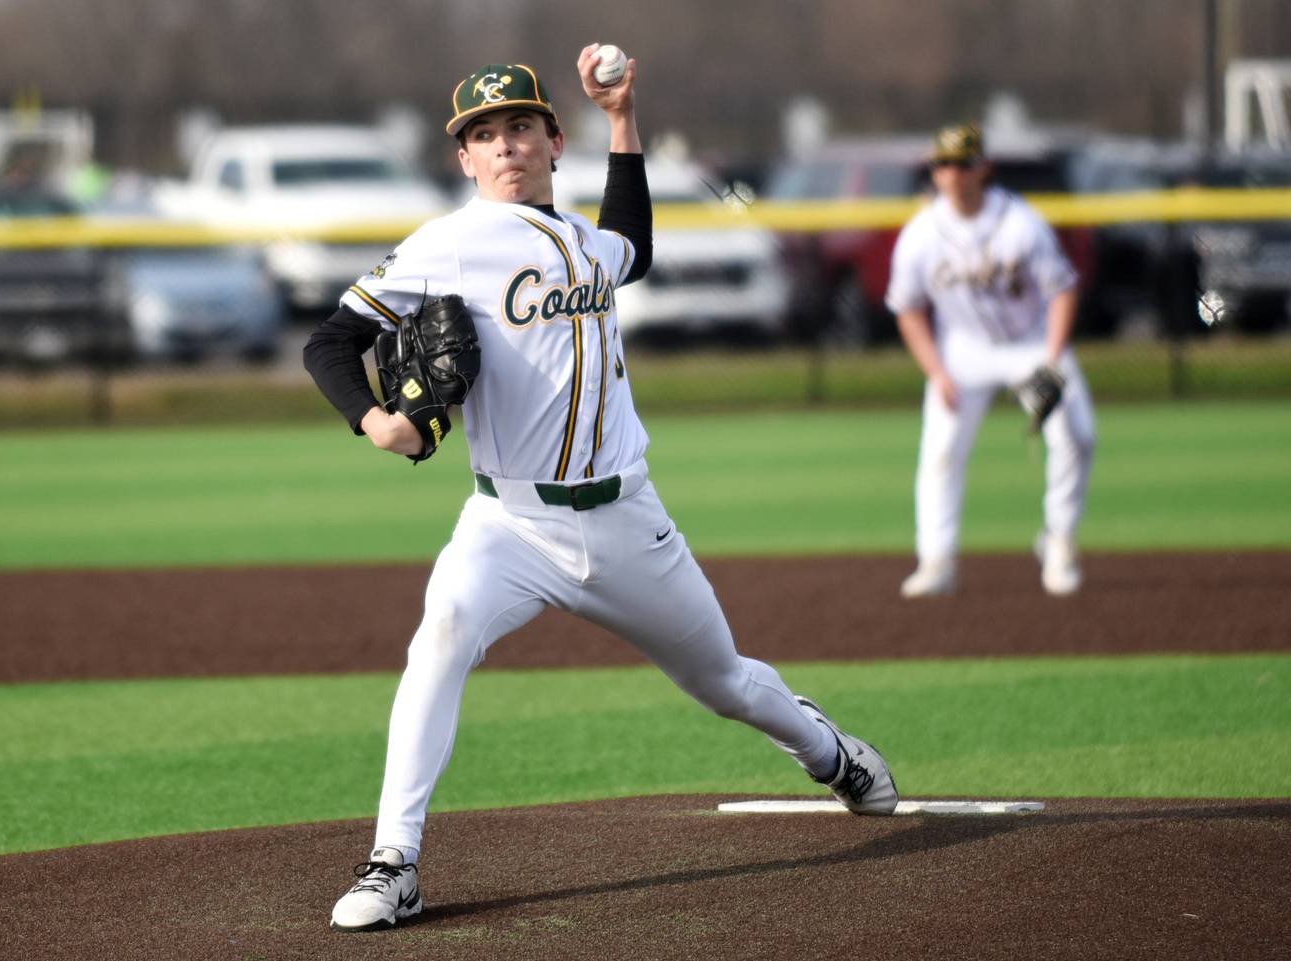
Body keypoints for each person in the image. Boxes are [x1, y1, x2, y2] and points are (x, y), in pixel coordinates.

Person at [303, 46, 898, 933]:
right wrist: (371, 419)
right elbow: (329, 341)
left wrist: (623, 119)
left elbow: (637, 247)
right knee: (438, 643)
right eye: (482, 135)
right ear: (462, 159)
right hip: (507, 521)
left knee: (724, 681)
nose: (503, 145)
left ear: (552, 140)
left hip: (626, 519)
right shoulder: (447, 243)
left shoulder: (584, 239)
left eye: (518, 127)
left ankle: (830, 752)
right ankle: (395, 860)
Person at [886, 124, 1096, 598]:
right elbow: (908, 310)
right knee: (940, 449)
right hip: (962, 349)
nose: (952, 174)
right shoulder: (921, 233)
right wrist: (936, 372)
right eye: (943, 164)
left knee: (1077, 436)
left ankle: (1058, 539)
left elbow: (1061, 289)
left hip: (1031, 342)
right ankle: (936, 559)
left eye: (962, 163)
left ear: (984, 168)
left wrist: (1052, 358)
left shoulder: (1020, 223)